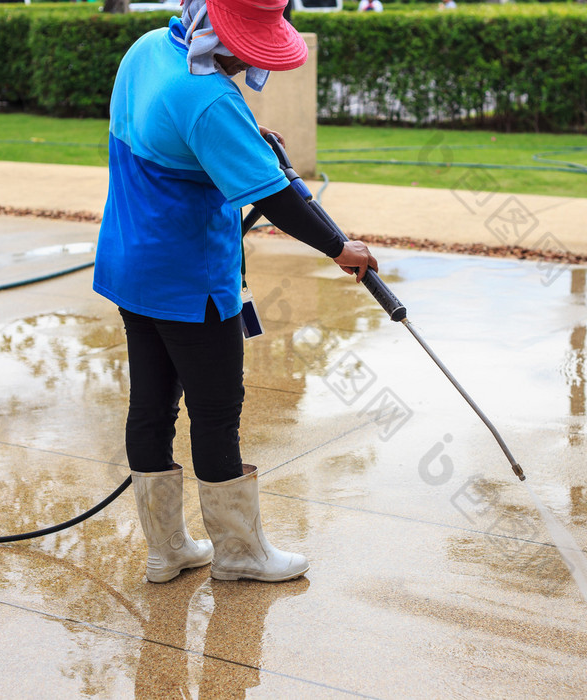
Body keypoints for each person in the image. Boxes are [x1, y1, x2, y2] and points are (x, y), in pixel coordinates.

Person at [94, 0, 378, 584]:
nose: (251, 55)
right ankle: (240, 554)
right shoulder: (210, 99)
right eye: (249, 42)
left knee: (150, 405)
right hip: (190, 279)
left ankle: (165, 549)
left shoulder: (149, 48)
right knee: (217, 411)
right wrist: (341, 249)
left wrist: (242, 135)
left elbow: (162, 130)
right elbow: (275, 197)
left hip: (130, 263)